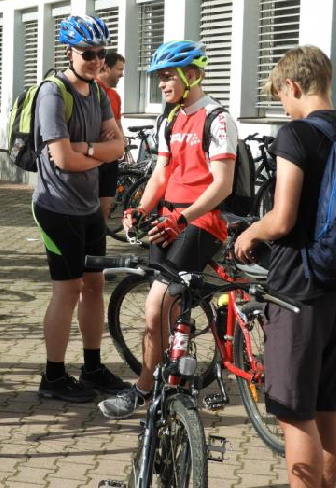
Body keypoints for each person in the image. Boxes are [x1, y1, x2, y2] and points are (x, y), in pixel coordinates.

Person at [234, 46, 336, 488]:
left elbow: (283, 217)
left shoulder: (297, 135)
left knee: (294, 412)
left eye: (280, 97)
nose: (283, 107)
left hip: (297, 289)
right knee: (330, 407)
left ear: (294, 86)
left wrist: (250, 234)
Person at [98, 40, 237, 418]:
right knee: (163, 309)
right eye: (159, 78)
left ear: (192, 75)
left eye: (167, 77)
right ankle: (172, 378)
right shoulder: (170, 118)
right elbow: (161, 172)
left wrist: (183, 217)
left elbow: (222, 185)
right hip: (167, 220)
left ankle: (143, 390)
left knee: (155, 305)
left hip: (201, 222)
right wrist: (140, 210)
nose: (161, 84)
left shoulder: (218, 118)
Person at [33, 14, 129, 403]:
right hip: (56, 207)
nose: (95, 61)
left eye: (100, 54)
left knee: (94, 286)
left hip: (89, 207)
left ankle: (92, 368)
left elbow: (118, 147)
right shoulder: (53, 93)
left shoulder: (100, 93)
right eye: (88, 53)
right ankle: (53, 377)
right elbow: (61, 161)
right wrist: (95, 154)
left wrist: (86, 150)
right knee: (67, 290)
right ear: (69, 52)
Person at [96, 52, 126, 226]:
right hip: (94, 157)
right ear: (106, 67)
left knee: (105, 208)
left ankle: (100, 241)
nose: (122, 74)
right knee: (89, 207)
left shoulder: (115, 96)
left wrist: (121, 142)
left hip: (111, 159)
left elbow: (118, 124)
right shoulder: (92, 89)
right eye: (119, 69)